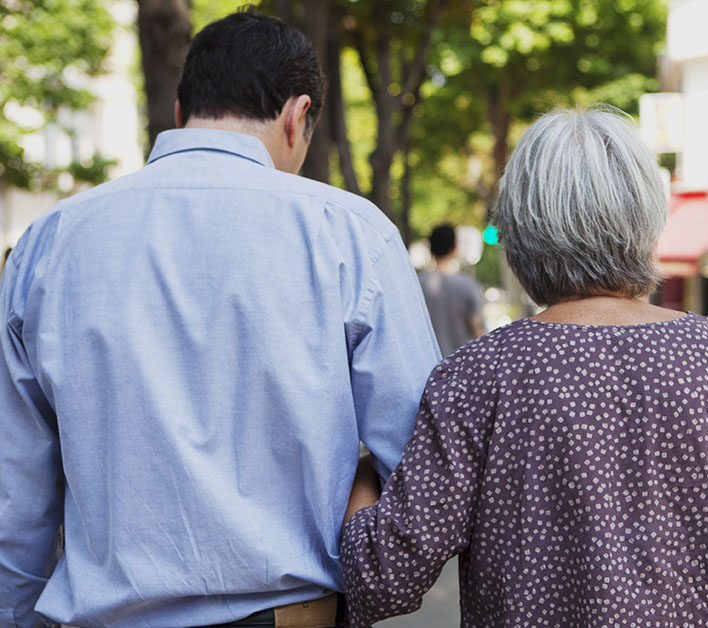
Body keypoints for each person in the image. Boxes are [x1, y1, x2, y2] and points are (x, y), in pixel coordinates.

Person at [0, 10, 440, 628]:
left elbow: (15, 491)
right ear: (297, 116)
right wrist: (359, 498)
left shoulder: (48, 243)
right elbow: (424, 462)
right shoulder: (351, 234)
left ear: (182, 111)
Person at [340, 107, 708, 628]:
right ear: (647, 218)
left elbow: (382, 578)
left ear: (520, 230)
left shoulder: (478, 376)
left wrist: (364, 469)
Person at [418, 224, 485, 356]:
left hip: (425, 362)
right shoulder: (467, 285)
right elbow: (477, 330)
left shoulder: (417, 284)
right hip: (459, 362)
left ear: (430, 248)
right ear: (454, 247)